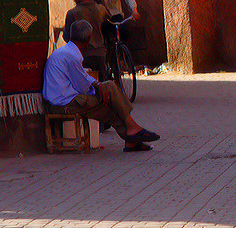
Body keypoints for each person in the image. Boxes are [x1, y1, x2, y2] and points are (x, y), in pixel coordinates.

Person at [43, 20, 160, 152]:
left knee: (109, 99)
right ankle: (133, 129)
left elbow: (83, 78)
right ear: (88, 40)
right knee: (110, 96)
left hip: (62, 101)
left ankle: (132, 138)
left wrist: (97, 85)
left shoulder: (65, 51)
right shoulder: (71, 56)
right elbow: (82, 87)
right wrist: (99, 89)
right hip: (65, 104)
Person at [63, 0, 111, 81]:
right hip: (100, 54)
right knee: (102, 84)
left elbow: (66, 37)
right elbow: (109, 20)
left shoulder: (72, 13)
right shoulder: (100, 9)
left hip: (82, 57)